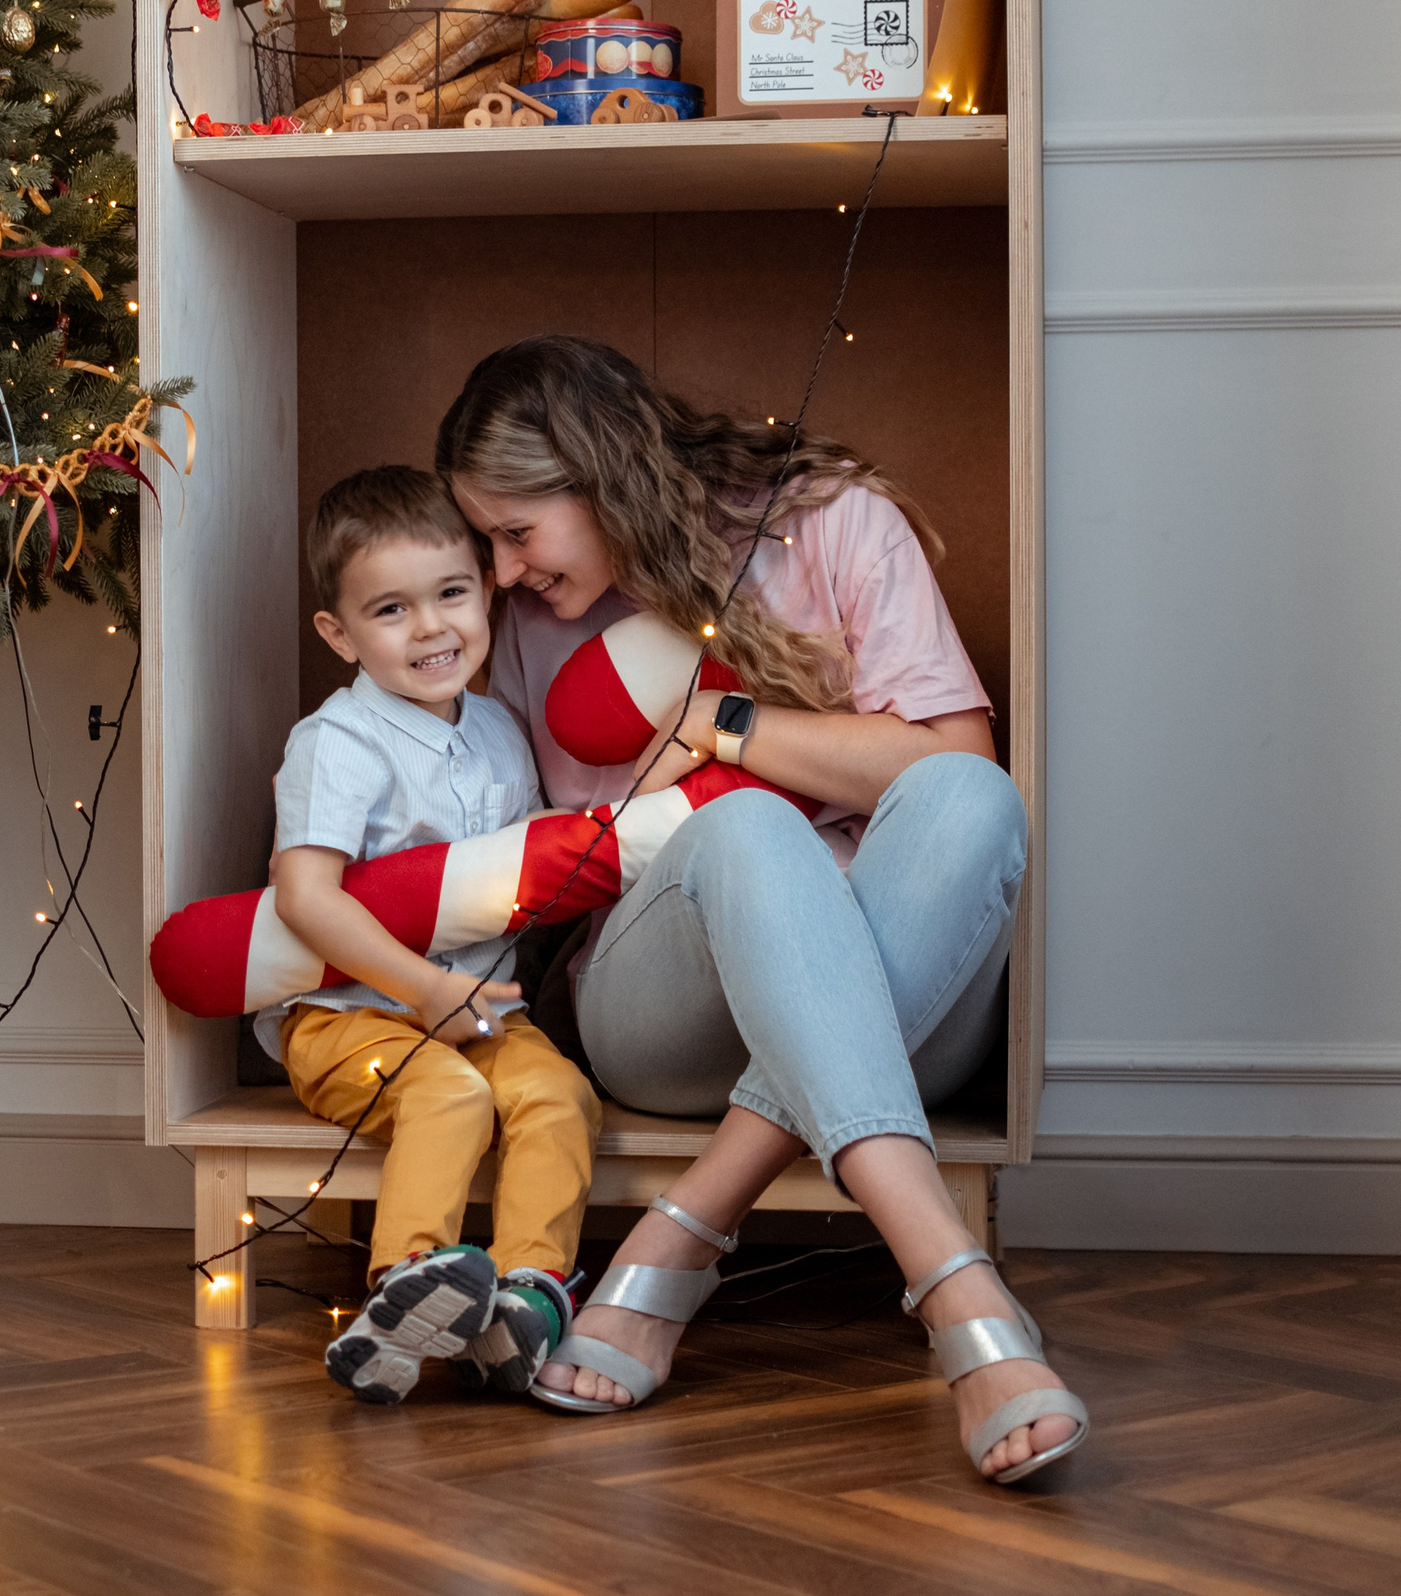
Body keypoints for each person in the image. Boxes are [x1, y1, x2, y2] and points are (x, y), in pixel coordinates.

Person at [437, 335, 1087, 1484]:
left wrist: (721, 724)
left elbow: (949, 765)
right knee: (742, 829)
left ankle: (684, 1229)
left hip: (909, 994)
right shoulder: (528, 623)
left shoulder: (827, 521)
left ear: (600, 475)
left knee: (972, 796)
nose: (497, 573)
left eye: (513, 531)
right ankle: (957, 1285)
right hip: (665, 1003)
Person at [265, 465, 602, 1405]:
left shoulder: (499, 731)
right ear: (339, 633)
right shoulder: (339, 742)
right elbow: (304, 895)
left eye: (451, 593)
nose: (431, 628)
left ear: (486, 588)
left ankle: (527, 1295)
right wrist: (422, 990)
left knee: (558, 1096)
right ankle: (405, 1292)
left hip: (481, 1008)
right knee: (450, 1097)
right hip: (350, 1018)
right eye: (391, 609)